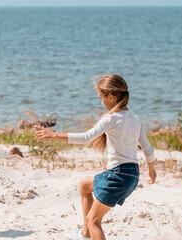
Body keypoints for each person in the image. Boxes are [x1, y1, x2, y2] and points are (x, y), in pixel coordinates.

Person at [33, 74, 157, 240]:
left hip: (118, 175)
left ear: (111, 97)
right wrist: (151, 171)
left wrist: (54, 136)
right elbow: (148, 150)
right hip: (132, 175)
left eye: (102, 98)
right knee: (85, 186)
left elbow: (86, 137)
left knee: (93, 221)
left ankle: (89, 230)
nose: (101, 102)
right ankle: (84, 235)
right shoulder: (136, 120)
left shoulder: (111, 119)